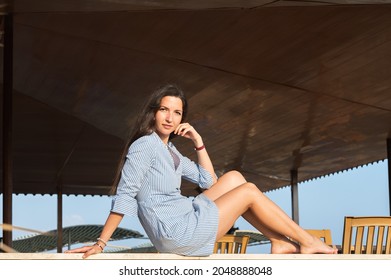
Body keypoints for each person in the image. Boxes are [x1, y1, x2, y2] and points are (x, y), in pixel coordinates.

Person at [65, 84, 337, 258]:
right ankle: (305, 239)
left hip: (185, 216)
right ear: (154, 113)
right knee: (249, 192)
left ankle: (278, 241)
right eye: (164, 110)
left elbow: (210, 182)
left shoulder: (170, 151)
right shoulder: (144, 146)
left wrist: (198, 141)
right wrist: (101, 243)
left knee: (235, 179)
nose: (170, 118)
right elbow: (125, 194)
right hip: (175, 231)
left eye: (178, 113)